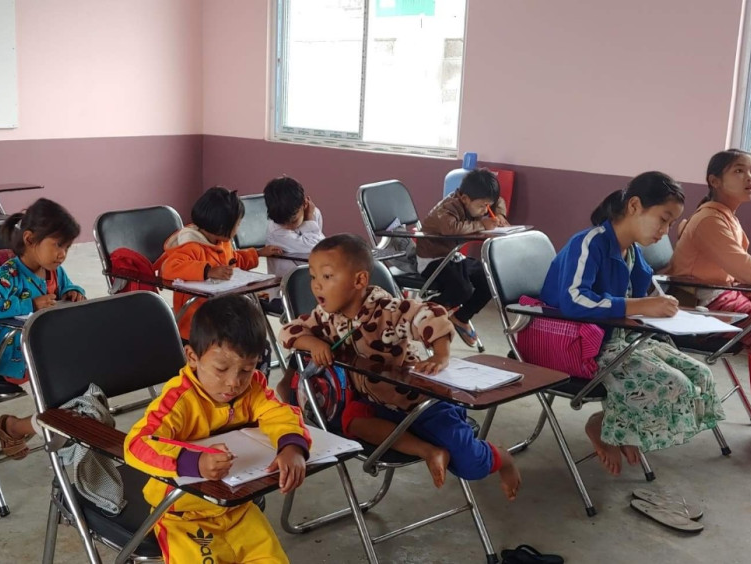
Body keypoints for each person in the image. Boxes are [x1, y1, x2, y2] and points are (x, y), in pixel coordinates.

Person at [280, 234, 521, 499]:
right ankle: (428, 451)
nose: (316, 285)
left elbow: (430, 314)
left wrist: (440, 355)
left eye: (327, 277)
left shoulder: (387, 309)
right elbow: (290, 331)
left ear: (359, 281)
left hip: (421, 403)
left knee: (469, 464)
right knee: (353, 422)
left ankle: (503, 458)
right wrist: (313, 342)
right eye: (313, 277)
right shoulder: (324, 316)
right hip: (376, 403)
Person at [540, 171, 725, 475]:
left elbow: (642, 297)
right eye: (663, 219)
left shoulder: (634, 253)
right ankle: (605, 424)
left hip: (619, 339)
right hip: (580, 344)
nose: (665, 231)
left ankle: (624, 425)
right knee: (675, 384)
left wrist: (670, 309)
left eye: (671, 224)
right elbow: (574, 300)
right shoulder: (589, 243)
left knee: (700, 374)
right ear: (635, 206)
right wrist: (640, 306)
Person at [124, 295, 309, 563]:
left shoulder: (253, 388)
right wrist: (194, 462)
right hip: (183, 515)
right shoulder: (179, 400)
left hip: (238, 508)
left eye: (246, 369)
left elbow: (279, 413)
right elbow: (137, 443)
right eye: (221, 369)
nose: (234, 382)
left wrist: (292, 445)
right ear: (192, 357)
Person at [664, 149, 751, 442]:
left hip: (724, 299)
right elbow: (749, 272)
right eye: (739, 171)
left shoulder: (724, 215)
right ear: (714, 180)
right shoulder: (710, 220)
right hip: (702, 310)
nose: (750, 178)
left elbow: (742, 271)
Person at [0, 198, 86, 459]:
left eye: (67, 247)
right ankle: (14, 428)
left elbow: (70, 287)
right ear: (29, 239)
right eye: (57, 244)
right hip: (19, 359)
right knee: (67, 418)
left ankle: (17, 428)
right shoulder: (8, 274)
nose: (62, 254)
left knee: (84, 407)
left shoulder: (54, 272)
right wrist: (30, 303)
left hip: (53, 354)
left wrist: (73, 292)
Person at [157, 186, 283, 340]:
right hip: (197, 321)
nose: (238, 229)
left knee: (250, 328)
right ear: (222, 227)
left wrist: (258, 253)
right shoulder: (190, 245)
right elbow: (170, 268)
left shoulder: (222, 242)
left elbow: (233, 261)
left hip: (224, 312)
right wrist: (208, 271)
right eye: (238, 224)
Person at [416, 168, 508, 346]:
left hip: (453, 257)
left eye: (488, 206)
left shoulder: (475, 200)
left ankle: (461, 317)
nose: (485, 210)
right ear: (465, 199)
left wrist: (499, 214)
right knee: (462, 289)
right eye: (482, 206)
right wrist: (482, 224)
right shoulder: (446, 208)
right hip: (433, 260)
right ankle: (423, 311)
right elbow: (450, 228)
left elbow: (499, 201)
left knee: (490, 279)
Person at [263, 175, 325, 306]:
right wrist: (308, 220)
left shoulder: (314, 213)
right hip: (287, 292)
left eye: (293, 221)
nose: (287, 227)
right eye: (282, 223)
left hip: (314, 284)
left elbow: (320, 248)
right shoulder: (275, 230)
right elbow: (317, 248)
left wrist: (310, 219)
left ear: (305, 204)